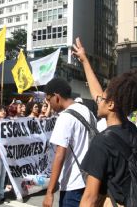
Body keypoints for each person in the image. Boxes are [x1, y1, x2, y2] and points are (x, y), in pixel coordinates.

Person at [71, 38, 137, 206]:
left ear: (111, 104)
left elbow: (90, 198)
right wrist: (84, 60)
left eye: (102, 98)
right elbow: (98, 93)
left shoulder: (102, 141)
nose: (97, 98)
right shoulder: (130, 129)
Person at [42, 77, 97, 207]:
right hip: (91, 181)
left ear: (56, 97)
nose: (50, 104)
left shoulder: (65, 117)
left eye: (49, 100)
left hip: (72, 184)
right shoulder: (88, 112)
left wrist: (49, 192)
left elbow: (59, 155)